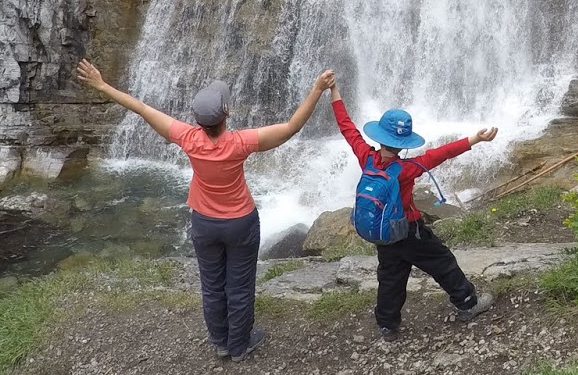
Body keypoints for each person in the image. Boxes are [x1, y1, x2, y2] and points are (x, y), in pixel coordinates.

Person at [75, 59, 334, 361]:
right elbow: (291, 128)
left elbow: (142, 108)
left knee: (212, 286)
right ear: (226, 114)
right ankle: (240, 345)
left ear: (198, 120)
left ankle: (220, 342)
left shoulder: (187, 138)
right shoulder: (240, 143)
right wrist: (317, 89)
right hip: (240, 223)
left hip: (205, 223)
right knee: (239, 286)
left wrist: (102, 85)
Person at [327, 76, 497, 340]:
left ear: (380, 137)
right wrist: (474, 139)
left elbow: (347, 128)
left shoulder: (366, 157)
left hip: (384, 233)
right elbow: (440, 154)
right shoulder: (407, 168)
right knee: (442, 262)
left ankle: (387, 325)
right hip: (408, 230)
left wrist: (334, 91)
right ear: (403, 144)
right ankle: (467, 303)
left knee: (390, 277)